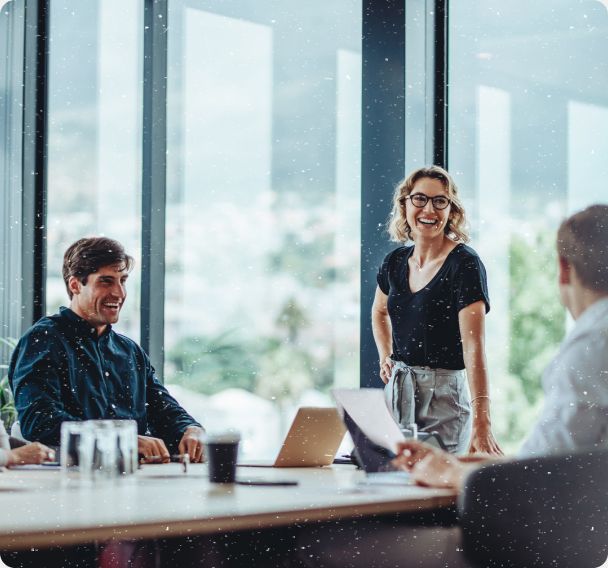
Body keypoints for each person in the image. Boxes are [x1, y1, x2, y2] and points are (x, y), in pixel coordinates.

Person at [302, 204, 608, 568]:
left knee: (325, 549)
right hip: (567, 540)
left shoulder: (592, 346)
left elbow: (538, 481)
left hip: (528, 542)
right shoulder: (398, 263)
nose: (428, 210)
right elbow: (562, 459)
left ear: (564, 270)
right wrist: (458, 461)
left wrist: (448, 470)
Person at [9, 237, 204, 463]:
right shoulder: (43, 340)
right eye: (106, 281)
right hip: (69, 483)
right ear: (75, 285)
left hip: (134, 480)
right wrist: (122, 440)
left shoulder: (129, 351)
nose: (119, 293)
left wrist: (190, 429)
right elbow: (40, 422)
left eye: (122, 281)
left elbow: (163, 410)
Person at [372, 165, 501, 455]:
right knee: (397, 486)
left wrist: (483, 422)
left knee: (438, 493)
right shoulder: (394, 262)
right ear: (404, 204)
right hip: (398, 391)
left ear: (451, 210)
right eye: (419, 199)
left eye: (439, 201)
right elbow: (379, 312)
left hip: (444, 397)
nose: (428, 209)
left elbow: (474, 347)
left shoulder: (465, 264)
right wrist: (385, 355)